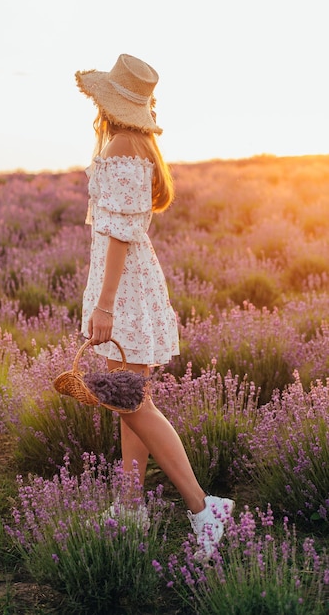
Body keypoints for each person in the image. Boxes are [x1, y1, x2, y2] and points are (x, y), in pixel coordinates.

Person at [75, 53, 234, 559]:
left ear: (111, 103)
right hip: (130, 282)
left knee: (131, 401)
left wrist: (104, 306)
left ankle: (204, 509)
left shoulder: (123, 144)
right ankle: (129, 510)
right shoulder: (138, 144)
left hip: (122, 290)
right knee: (128, 400)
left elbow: (120, 231)